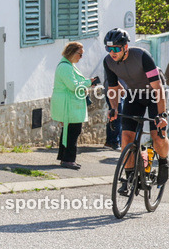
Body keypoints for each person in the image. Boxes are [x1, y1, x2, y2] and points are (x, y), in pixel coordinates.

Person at [103, 28, 168, 193]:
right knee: (126, 137)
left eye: (116, 48)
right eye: (109, 48)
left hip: (154, 94)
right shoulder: (108, 62)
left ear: (125, 47)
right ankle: (130, 178)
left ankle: (163, 162)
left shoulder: (141, 56)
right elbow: (113, 88)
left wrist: (161, 116)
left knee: (157, 137)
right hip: (134, 95)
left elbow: (158, 88)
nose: (112, 52)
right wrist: (114, 108)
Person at [50, 42, 94, 169]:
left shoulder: (69, 65)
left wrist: (86, 83)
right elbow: (73, 85)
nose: (81, 57)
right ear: (72, 52)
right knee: (73, 131)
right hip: (68, 104)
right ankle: (68, 160)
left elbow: (75, 83)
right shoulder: (66, 67)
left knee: (70, 131)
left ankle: (65, 158)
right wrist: (88, 82)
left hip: (69, 103)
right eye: (80, 54)